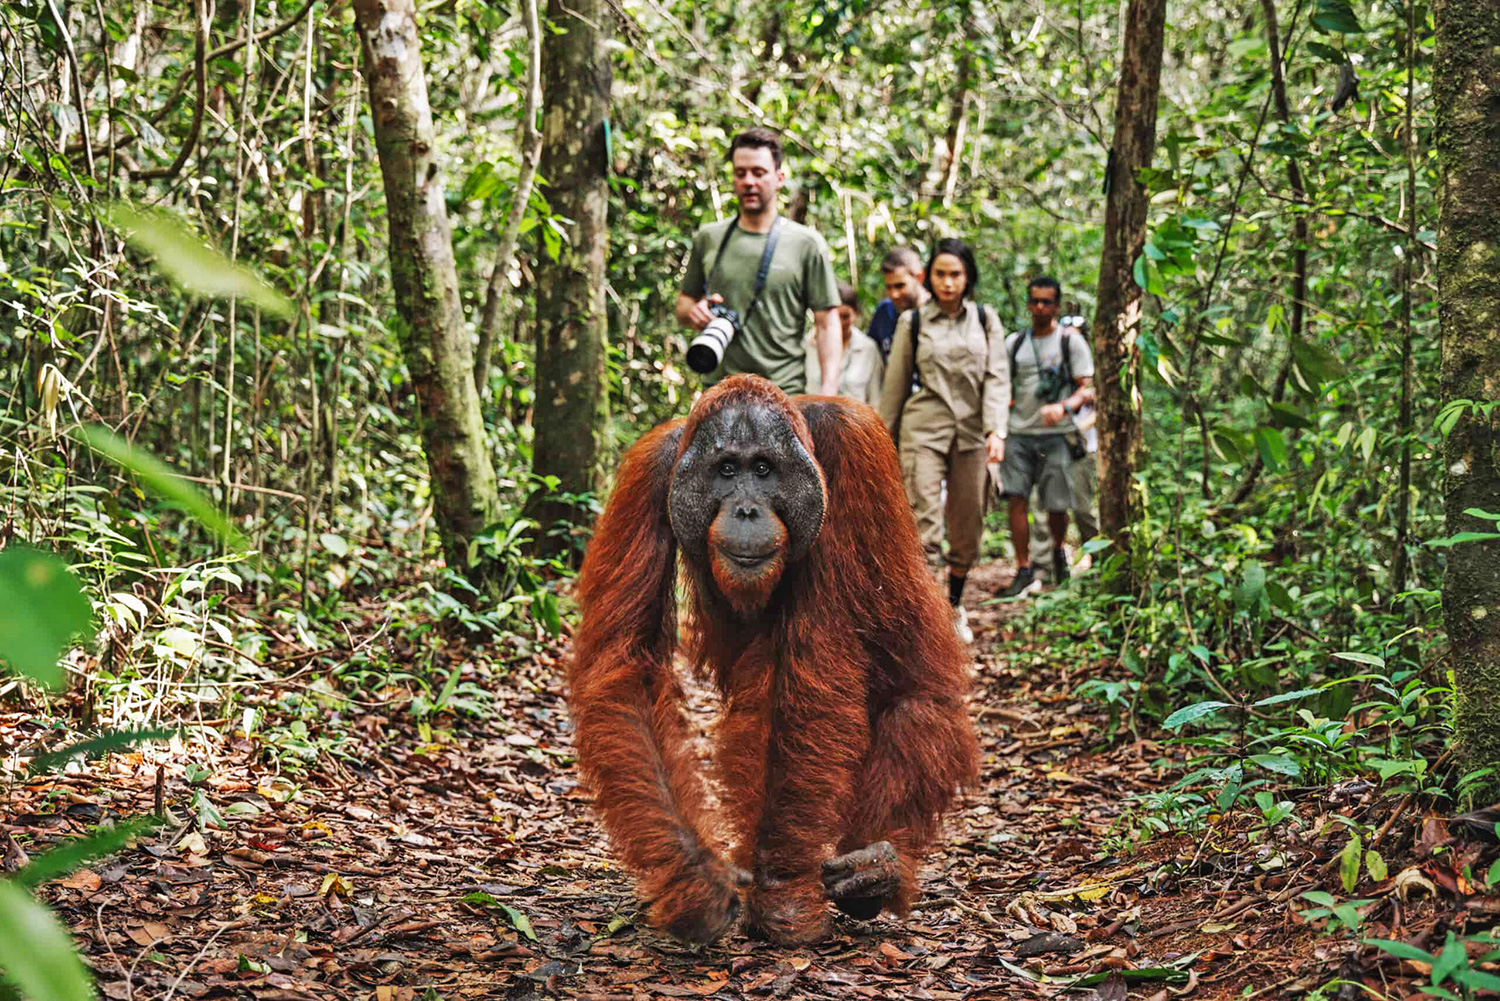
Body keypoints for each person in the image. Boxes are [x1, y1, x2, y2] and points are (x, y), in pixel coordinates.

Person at [878, 239, 1009, 644]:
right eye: (940, 274)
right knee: (923, 524)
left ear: (967, 277)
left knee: (968, 524)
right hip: (924, 430)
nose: (948, 283)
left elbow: (997, 377)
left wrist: (996, 429)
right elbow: (895, 387)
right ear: (928, 277)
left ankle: (954, 605)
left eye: (955, 274)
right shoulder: (913, 322)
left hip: (973, 432)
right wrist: (881, 440)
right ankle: (921, 614)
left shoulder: (985, 320)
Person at [677, 128, 843, 396]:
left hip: (784, 394)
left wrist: (829, 390)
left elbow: (827, 322)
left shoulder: (806, 244)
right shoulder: (709, 237)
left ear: (779, 178)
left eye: (759, 172)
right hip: (719, 394)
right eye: (740, 173)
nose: (748, 181)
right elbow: (683, 304)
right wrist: (695, 312)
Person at [998, 278, 1095, 598]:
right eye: (1035, 301)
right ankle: (1024, 568)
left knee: (1056, 505)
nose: (1040, 308)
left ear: (1056, 305)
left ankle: (1057, 554)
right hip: (1019, 433)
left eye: (1047, 302)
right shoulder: (1015, 343)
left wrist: (1064, 407)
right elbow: (1001, 384)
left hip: (1057, 436)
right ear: (1028, 303)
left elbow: (1086, 388)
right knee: (1016, 498)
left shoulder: (1070, 342)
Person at [1029, 314, 1099, 584]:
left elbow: (1100, 409)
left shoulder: (1091, 373)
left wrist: (1075, 427)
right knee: (1045, 506)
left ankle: (1098, 560)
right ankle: (1046, 567)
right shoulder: (1049, 368)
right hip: (1049, 444)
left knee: (1083, 508)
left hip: (1081, 448)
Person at [806, 282, 884, 407]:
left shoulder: (868, 348)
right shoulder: (806, 346)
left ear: (856, 314)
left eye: (845, 317)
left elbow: (876, 400)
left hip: (856, 418)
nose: (839, 323)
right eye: (834, 318)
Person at [865, 247, 929, 363]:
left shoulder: (937, 311)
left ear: (919, 277)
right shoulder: (884, 312)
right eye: (888, 287)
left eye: (900, 286)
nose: (894, 294)